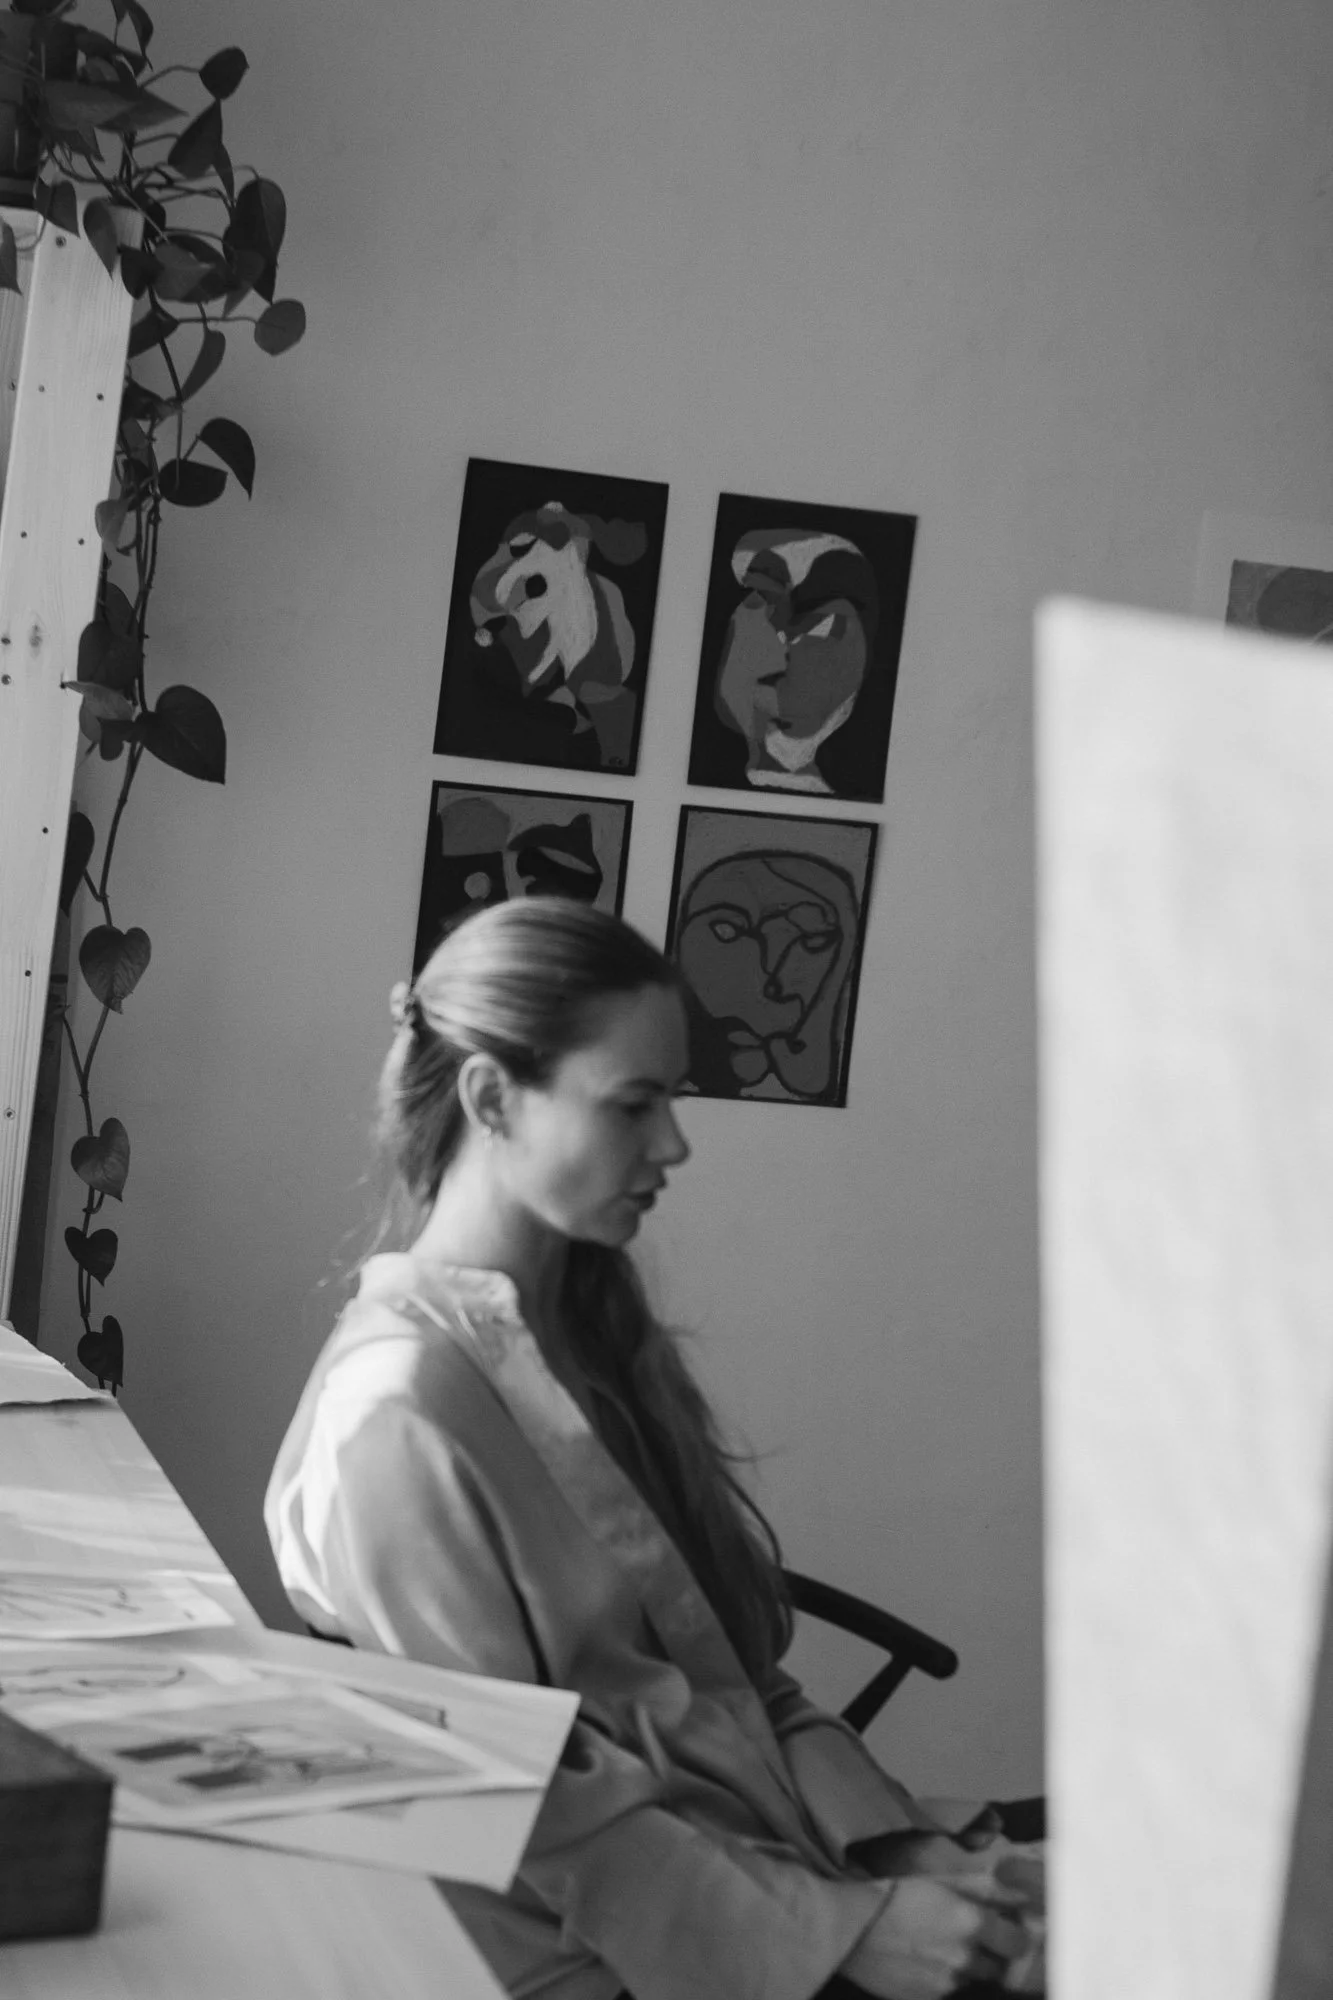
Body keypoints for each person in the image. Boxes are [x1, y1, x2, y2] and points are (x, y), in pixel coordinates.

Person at [265, 898, 1043, 2000]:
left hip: (761, 1869)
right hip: (604, 1950)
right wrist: (845, 1932)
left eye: (671, 1099)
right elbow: (525, 1805)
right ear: (492, 1097)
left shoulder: (581, 1334)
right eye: (635, 1104)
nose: (674, 1143)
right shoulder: (397, 1413)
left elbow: (738, 1683)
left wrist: (895, 1851)